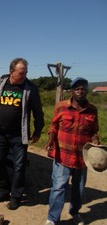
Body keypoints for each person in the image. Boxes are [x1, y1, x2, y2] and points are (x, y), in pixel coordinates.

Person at [44, 77, 100, 225]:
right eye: (77, 88)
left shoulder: (92, 110)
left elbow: (95, 131)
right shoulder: (61, 107)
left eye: (83, 89)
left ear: (86, 91)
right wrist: (50, 140)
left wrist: (95, 141)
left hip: (82, 158)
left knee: (79, 189)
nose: (80, 91)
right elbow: (54, 126)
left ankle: (74, 212)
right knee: (58, 187)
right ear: (71, 91)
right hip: (63, 155)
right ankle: (52, 219)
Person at [0, 57, 45, 210]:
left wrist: (37, 131)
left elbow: (38, 111)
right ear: (11, 72)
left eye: (26, 73)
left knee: (19, 166)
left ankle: (16, 197)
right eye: (21, 73)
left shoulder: (30, 88)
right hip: (0, 133)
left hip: (19, 135)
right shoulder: (1, 82)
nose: (24, 76)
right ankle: (4, 190)